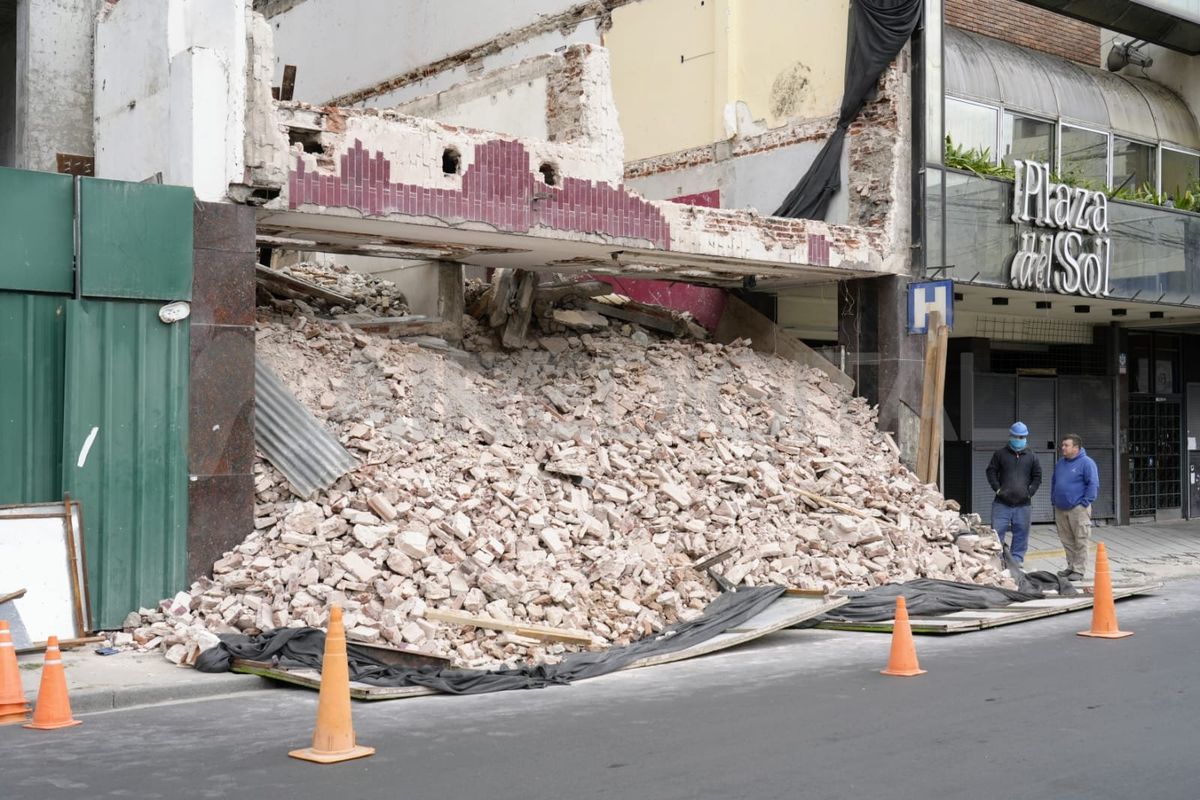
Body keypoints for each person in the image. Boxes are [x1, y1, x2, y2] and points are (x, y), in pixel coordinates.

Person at [985, 421, 1042, 566]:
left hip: (1023, 504)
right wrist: (997, 489)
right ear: (1010, 436)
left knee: (1021, 533)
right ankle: (998, 559)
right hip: (1001, 503)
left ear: (1026, 438)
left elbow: (1037, 476)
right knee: (997, 533)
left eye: (1022, 437)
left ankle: (1017, 560)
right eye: (1016, 436)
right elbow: (991, 471)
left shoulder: (1032, 456)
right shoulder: (1000, 454)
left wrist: (1030, 492)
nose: (1019, 439)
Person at [1051, 433, 1099, 581]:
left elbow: (1093, 484)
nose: (1063, 448)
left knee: (1081, 539)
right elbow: (1054, 481)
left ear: (1076, 448)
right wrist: (1054, 499)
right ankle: (1071, 566)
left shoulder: (1086, 463)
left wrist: (1085, 502)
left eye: (1066, 445)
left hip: (1078, 508)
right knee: (1066, 540)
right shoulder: (1061, 462)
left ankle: (1079, 570)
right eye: (1063, 445)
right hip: (1060, 508)